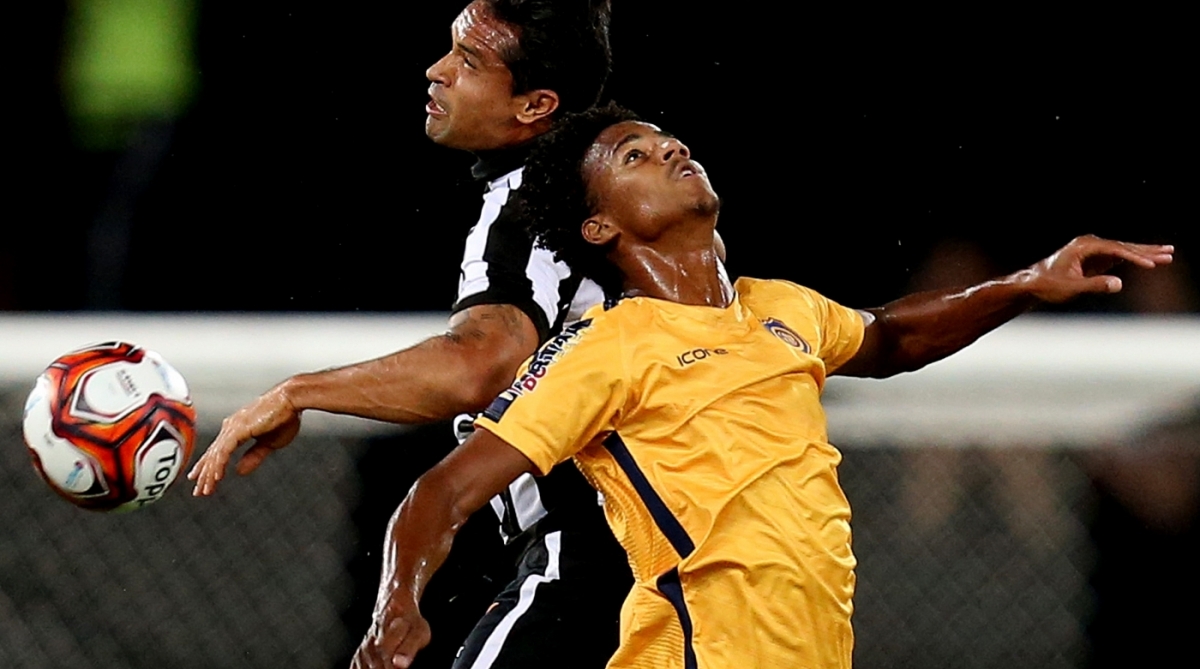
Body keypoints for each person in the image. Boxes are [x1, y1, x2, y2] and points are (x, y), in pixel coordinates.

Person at [350, 103, 1174, 669]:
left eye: (668, 140)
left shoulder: (777, 308)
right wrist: (398, 604)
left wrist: (1027, 282)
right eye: (635, 156)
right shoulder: (610, 346)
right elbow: (442, 491)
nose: (671, 150)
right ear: (599, 226)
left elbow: (892, 335)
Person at [187, 2, 648, 668]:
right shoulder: (634, 187)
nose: (436, 72)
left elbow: (478, 365)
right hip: (696, 548)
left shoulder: (534, 206)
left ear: (534, 104)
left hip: (598, 549)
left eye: (469, 61)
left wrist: (300, 392)